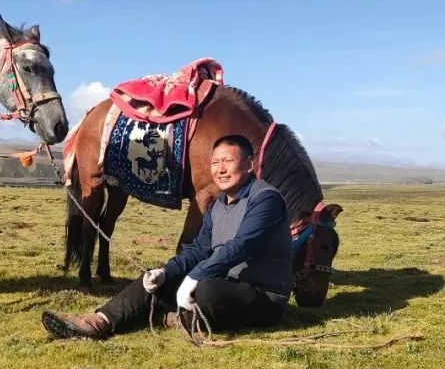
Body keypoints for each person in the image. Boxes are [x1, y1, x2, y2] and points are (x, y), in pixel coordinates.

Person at [42, 134, 293, 340]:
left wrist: (196, 275)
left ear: (249, 164)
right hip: (225, 281)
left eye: (228, 161)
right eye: (215, 163)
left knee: (206, 290)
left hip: (263, 296)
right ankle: (99, 321)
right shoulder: (218, 205)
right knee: (155, 277)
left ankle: (169, 317)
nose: (221, 169)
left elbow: (241, 246)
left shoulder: (265, 199)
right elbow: (199, 250)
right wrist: (166, 271)